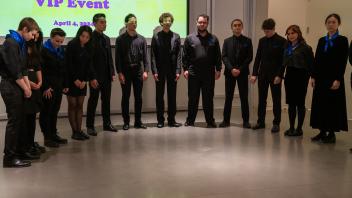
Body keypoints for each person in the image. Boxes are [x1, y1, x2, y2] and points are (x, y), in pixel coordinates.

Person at [0, 17, 39, 167]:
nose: (33, 38)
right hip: (10, 87)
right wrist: (25, 88)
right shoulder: (11, 43)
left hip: (18, 86)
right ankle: (9, 157)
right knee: (14, 123)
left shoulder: (20, 43)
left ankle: (19, 151)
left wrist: (28, 86)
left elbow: (23, 69)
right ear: (24, 29)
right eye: (32, 34)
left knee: (20, 122)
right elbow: (15, 71)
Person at [310, 13, 349, 143]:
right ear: (326, 24)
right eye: (329, 22)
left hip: (333, 78)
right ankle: (322, 131)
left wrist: (338, 79)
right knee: (320, 104)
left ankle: (331, 133)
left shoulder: (343, 40)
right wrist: (313, 76)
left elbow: (343, 61)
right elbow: (317, 60)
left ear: (338, 24)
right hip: (320, 78)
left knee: (332, 105)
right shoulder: (322, 40)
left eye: (333, 22)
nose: (331, 24)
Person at [183, 14, 222, 128]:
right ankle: (190, 121)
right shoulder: (190, 38)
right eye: (200, 22)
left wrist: (218, 69)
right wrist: (185, 69)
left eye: (204, 22)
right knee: (193, 98)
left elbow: (217, 56)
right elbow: (185, 55)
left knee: (208, 98)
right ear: (196, 23)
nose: (202, 24)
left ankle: (210, 121)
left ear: (207, 23)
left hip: (209, 74)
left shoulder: (214, 39)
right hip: (193, 72)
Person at [250, 18, 286, 133]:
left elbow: (283, 61)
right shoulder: (262, 41)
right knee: (262, 99)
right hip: (263, 75)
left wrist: (279, 75)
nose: (267, 33)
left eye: (269, 31)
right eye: (265, 31)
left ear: (274, 29)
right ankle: (261, 121)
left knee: (276, 100)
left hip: (275, 76)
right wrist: (254, 74)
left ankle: (276, 123)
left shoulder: (282, 41)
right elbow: (258, 58)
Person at [115, 13, 149, 130]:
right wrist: (119, 73)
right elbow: (118, 58)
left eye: (135, 21)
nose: (134, 23)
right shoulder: (120, 39)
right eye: (131, 22)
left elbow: (145, 56)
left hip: (138, 70)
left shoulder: (141, 39)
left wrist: (146, 71)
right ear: (126, 24)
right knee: (125, 97)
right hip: (125, 71)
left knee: (138, 97)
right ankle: (126, 122)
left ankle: (138, 121)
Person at [86, 13, 117, 136]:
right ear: (94, 23)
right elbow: (89, 60)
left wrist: (112, 72)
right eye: (101, 22)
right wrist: (92, 77)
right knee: (93, 101)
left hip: (106, 76)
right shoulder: (90, 38)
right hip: (95, 76)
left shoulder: (107, 38)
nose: (104, 24)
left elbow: (109, 57)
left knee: (106, 101)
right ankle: (90, 126)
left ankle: (107, 123)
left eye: (105, 22)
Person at [219, 19, 253, 128]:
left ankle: (246, 121)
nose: (237, 27)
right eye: (235, 25)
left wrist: (240, 69)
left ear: (242, 27)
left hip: (242, 73)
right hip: (230, 73)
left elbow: (249, 57)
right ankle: (226, 120)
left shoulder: (248, 41)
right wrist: (231, 69)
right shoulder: (227, 41)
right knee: (228, 97)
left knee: (244, 97)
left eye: (239, 25)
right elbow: (224, 56)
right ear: (232, 27)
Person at [281, 25, 314, 136]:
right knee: (291, 104)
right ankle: (291, 128)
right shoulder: (286, 46)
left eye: (293, 33)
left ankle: (299, 129)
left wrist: (311, 77)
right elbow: (283, 63)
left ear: (298, 33)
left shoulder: (306, 48)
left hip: (301, 77)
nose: (291, 35)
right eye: (288, 33)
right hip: (289, 76)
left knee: (300, 103)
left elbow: (311, 65)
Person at [151, 12, 182, 128]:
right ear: (161, 22)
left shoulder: (176, 36)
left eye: (169, 21)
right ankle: (160, 120)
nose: (167, 23)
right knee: (159, 96)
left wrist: (178, 70)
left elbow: (179, 55)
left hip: (173, 70)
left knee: (172, 96)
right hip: (159, 70)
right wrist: (154, 71)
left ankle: (172, 120)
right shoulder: (156, 36)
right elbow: (153, 55)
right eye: (165, 21)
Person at [39, 28, 69, 148]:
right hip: (48, 87)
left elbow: (64, 69)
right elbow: (41, 71)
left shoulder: (61, 50)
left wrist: (65, 84)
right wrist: (45, 87)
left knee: (54, 111)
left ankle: (53, 134)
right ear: (51, 37)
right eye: (57, 41)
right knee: (47, 111)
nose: (59, 44)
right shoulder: (44, 50)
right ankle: (47, 137)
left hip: (58, 85)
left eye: (61, 41)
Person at [66, 26, 93, 140]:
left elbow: (89, 66)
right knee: (73, 105)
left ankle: (79, 130)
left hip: (82, 81)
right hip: (72, 80)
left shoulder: (89, 47)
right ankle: (74, 131)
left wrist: (85, 80)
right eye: (83, 36)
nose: (84, 39)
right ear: (79, 35)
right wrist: (75, 79)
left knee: (80, 105)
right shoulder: (72, 45)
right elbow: (68, 64)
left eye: (87, 37)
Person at [23, 30, 46, 158]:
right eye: (33, 36)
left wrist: (40, 80)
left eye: (37, 37)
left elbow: (38, 67)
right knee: (26, 118)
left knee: (32, 117)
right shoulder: (22, 48)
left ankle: (31, 143)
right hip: (27, 84)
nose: (35, 39)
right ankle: (26, 146)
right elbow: (22, 69)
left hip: (36, 85)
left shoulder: (36, 49)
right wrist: (30, 83)